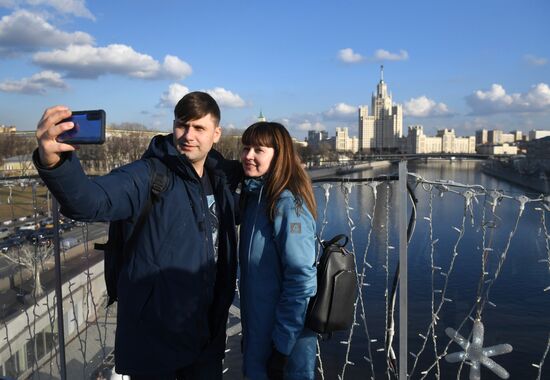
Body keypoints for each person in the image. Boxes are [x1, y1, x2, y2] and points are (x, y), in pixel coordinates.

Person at [33, 92, 241, 379]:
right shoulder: (149, 174)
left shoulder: (220, 178)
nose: (188, 135)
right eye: (182, 125)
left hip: (206, 335)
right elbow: (91, 202)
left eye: (199, 128)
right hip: (156, 341)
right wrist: (55, 162)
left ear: (216, 134)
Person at [238, 122, 318, 380]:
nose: (248, 155)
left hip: (284, 346)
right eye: (246, 147)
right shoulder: (255, 199)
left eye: (259, 149)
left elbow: (301, 279)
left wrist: (282, 347)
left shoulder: (287, 205)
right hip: (260, 337)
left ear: (278, 155)